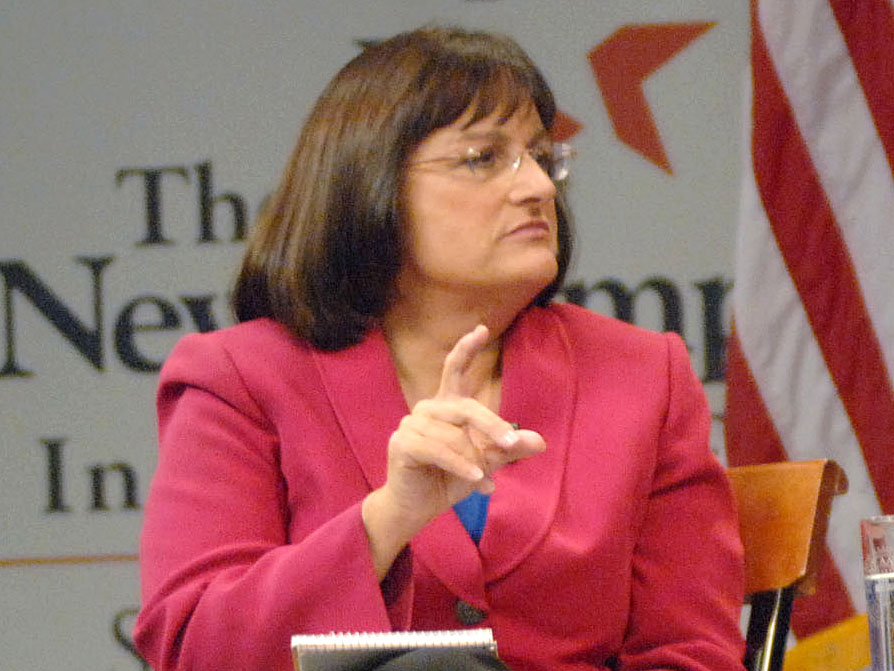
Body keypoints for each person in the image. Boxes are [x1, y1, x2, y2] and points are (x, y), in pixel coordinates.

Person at [134, 26, 745, 671]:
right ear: (370, 187)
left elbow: (692, 653)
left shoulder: (645, 375)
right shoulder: (239, 377)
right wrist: (390, 518)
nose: (538, 186)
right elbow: (194, 644)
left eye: (542, 156)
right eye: (483, 158)